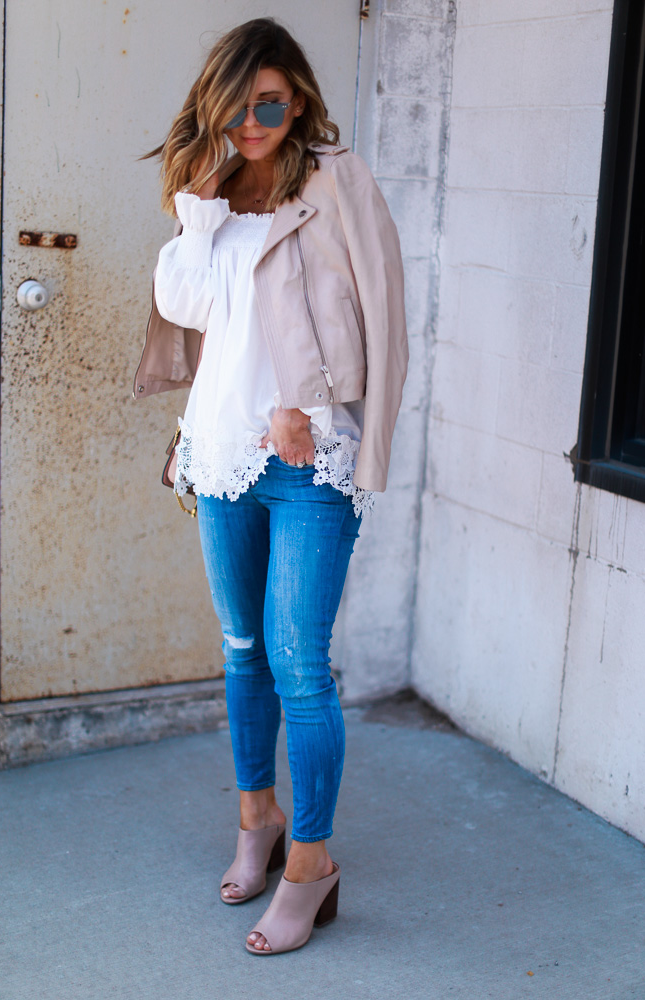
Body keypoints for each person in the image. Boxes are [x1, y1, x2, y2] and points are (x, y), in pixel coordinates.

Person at [134, 17, 408, 955]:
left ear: (298, 99)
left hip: (305, 464)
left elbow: (379, 318)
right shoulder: (208, 187)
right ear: (213, 106)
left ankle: (311, 864)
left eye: (272, 105)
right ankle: (257, 820)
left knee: (300, 668)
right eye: (238, 107)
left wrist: (312, 405)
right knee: (242, 648)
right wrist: (198, 207)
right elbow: (188, 305)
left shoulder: (338, 179)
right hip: (220, 455)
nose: (255, 123)